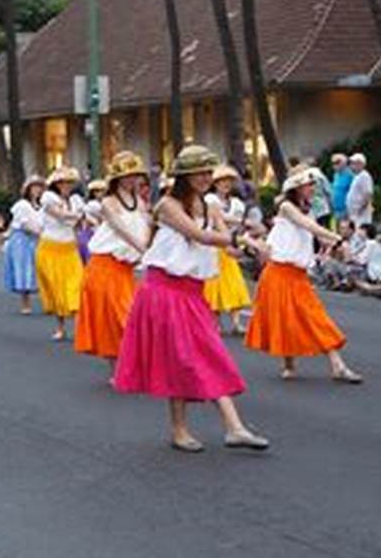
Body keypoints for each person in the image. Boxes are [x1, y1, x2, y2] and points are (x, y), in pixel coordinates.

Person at [113, 145, 269, 454]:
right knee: (188, 358)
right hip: (164, 291)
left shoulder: (209, 205)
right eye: (199, 173)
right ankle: (210, 429)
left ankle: (223, 429)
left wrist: (255, 244)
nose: (206, 178)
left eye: (209, 172)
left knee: (200, 355)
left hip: (192, 292)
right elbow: (202, 237)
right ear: (183, 176)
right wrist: (243, 239)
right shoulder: (167, 206)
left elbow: (225, 246)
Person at [246, 165, 363, 383]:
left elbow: (314, 232)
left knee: (314, 317)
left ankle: (337, 365)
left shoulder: (307, 209)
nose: (312, 188)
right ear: (297, 187)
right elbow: (308, 226)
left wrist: (340, 248)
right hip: (278, 273)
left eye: (312, 184)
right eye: (308, 184)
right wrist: (337, 239)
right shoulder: (287, 207)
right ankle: (289, 364)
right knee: (285, 320)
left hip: (297, 275)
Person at [75, 152, 151, 376]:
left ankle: (128, 368)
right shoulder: (108, 202)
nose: (131, 180)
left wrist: (150, 250)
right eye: (126, 176)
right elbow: (121, 229)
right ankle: (116, 370)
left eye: (135, 175)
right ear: (116, 179)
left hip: (126, 270)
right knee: (117, 319)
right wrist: (143, 249)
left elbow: (147, 227)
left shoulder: (141, 202)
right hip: (104, 267)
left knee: (132, 319)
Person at [203, 165, 252, 335]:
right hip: (214, 245)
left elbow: (236, 223)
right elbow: (218, 218)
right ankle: (215, 323)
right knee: (214, 285)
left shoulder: (236, 203)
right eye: (222, 181)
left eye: (229, 181)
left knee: (233, 283)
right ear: (215, 184)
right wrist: (237, 222)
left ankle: (236, 323)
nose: (226, 184)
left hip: (229, 244)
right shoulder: (209, 199)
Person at [36, 166, 85, 341]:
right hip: (51, 248)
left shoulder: (76, 200)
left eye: (70, 183)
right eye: (63, 183)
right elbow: (61, 216)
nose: (67, 186)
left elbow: (80, 220)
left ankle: (81, 327)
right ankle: (60, 327)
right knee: (58, 290)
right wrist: (76, 216)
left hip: (70, 248)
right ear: (56, 184)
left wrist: (78, 217)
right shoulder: (48, 198)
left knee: (77, 287)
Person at [5, 176, 45, 315]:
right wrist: (42, 234)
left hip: (37, 239)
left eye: (39, 187)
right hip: (22, 240)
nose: (37, 190)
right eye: (34, 187)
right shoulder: (22, 205)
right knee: (24, 269)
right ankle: (25, 302)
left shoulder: (42, 207)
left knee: (41, 271)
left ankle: (49, 301)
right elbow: (25, 225)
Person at [77, 180, 106, 265]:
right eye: (97, 191)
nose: (100, 193)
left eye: (102, 190)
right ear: (92, 193)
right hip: (93, 234)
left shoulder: (102, 203)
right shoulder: (93, 204)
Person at [346, 153, 375, 228]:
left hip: (361, 213)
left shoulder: (364, 176)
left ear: (361, 164)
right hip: (354, 213)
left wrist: (361, 208)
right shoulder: (357, 176)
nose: (351, 166)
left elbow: (368, 194)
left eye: (354, 163)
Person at [330, 153, 352, 226]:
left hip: (346, 209)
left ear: (344, 163)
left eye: (337, 162)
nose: (334, 165)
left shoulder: (350, 175)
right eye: (333, 163)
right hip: (336, 209)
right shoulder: (335, 175)